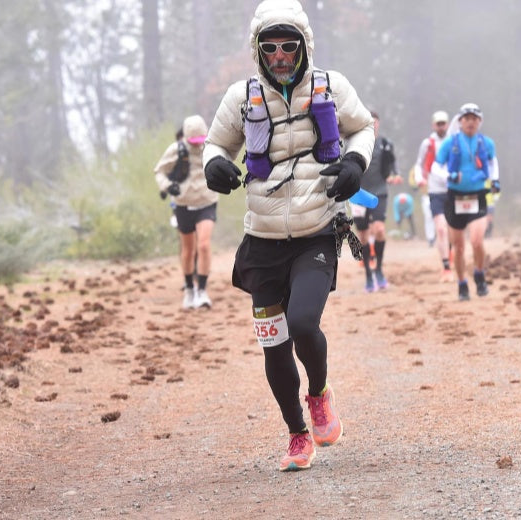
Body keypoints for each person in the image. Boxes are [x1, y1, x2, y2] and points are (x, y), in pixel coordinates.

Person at [202, 0, 374, 472]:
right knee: (273, 343)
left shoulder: (331, 86)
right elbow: (216, 144)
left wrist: (355, 163)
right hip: (261, 241)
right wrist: (213, 164)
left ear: (304, 46)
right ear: (258, 49)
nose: (280, 55)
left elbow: (363, 128)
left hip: (316, 232)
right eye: (270, 46)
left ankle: (318, 394)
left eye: (288, 46)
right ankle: (297, 434)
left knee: (301, 323)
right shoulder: (241, 97)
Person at [431, 103, 500, 301]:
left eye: (474, 119)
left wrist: (495, 180)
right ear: (460, 121)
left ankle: (479, 274)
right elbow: (436, 167)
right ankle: (462, 284)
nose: (470, 122)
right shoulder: (450, 143)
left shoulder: (486, 143)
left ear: (480, 122)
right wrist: (449, 176)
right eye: (467, 119)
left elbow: (492, 162)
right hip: (455, 198)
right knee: (459, 246)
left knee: (477, 241)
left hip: (478, 196)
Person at [153, 115, 217, 309]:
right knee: (188, 250)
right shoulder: (176, 150)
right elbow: (159, 171)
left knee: (203, 245)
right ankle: (189, 289)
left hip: (207, 202)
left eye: (201, 140)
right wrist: (167, 186)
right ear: (186, 137)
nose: (198, 144)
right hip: (183, 204)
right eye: (194, 140)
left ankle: (202, 291)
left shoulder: (212, 146)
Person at [356, 111, 400, 292]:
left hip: (380, 192)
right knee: (364, 236)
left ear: (378, 124)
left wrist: (394, 175)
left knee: (379, 229)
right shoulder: (356, 143)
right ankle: (368, 275)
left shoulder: (385, 144)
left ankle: (379, 270)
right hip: (359, 194)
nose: (373, 125)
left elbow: (392, 164)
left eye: (375, 122)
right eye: (369, 122)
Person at [414, 110, 453, 281]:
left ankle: (450, 255)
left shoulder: (453, 141)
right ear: (433, 125)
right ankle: (446, 266)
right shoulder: (428, 143)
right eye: (438, 124)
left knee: (452, 229)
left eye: (443, 123)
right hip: (435, 190)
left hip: (453, 189)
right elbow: (419, 164)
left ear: (448, 124)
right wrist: (419, 178)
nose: (441, 127)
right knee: (441, 229)